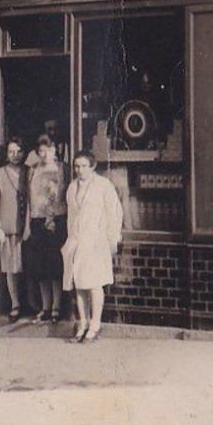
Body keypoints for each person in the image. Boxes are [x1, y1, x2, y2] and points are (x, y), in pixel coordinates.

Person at [62, 151, 124, 344]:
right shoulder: (72, 187)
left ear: (93, 167)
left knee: (95, 284)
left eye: (83, 166)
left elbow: (114, 213)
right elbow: (71, 217)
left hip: (96, 241)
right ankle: (82, 323)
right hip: (78, 241)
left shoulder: (103, 186)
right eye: (77, 166)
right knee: (79, 285)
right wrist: (71, 239)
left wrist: (112, 239)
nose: (79, 170)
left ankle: (95, 325)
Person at [23, 134, 68, 323]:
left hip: (55, 221)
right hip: (37, 221)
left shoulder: (61, 169)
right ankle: (45, 307)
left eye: (48, 150)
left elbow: (63, 196)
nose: (44, 155)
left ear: (55, 149)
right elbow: (29, 199)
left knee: (54, 266)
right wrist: (27, 224)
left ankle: (57, 307)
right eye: (41, 151)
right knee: (40, 268)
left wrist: (53, 215)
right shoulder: (33, 170)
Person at [0, 138, 27, 322]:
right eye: (11, 151)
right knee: (11, 268)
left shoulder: (29, 172)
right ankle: (15, 304)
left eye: (19, 151)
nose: (15, 155)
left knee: (25, 266)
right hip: (8, 228)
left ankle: (32, 303)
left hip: (26, 229)